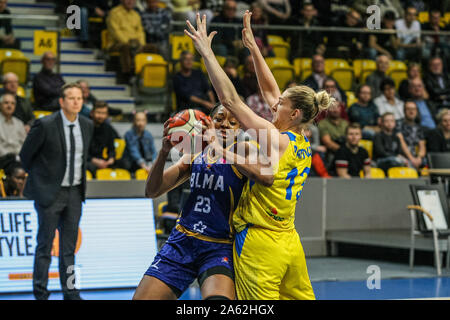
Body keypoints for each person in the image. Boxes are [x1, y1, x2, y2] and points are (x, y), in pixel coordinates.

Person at [185, 12, 334, 299]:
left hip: (260, 242)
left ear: (294, 113)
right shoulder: (301, 138)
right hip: (290, 242)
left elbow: (230, 101)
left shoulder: (275, 139)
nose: (273, 105)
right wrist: (254, 49)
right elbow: (271, 91)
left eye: (280, 105)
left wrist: (207, 54)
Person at [132, 104, 273, 300]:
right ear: (208, 123)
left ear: (240, 129)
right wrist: (164, 152)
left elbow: (267, 178)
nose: (225, 125)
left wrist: (219, 148)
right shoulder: (196, 153)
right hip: (182, 241)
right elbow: (152, 191)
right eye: (219, 119)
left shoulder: (245, 150)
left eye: (232, 122)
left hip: (218, 245)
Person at [19, 83, 94, 300]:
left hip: (74, 194)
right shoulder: (45, 124)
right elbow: (25, 156)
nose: (76, 102)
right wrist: (42, 181)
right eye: (71, 98)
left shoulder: (87, 125)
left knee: (69, 250)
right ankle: (40, 293)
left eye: (79, 98)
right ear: (61, 101)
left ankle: (71, 292)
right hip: (49, 194)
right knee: (44, 246)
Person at [106, 0, 147, 83]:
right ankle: (127, 75)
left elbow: (140, 32)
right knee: (127, 47)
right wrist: (128, 42)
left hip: (136, 43)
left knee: (153, 48)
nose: (130, 2)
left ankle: (147, 75)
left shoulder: (136, 15)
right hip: (116, 44)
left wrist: (142, 44)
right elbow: (115, 32)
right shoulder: (114, 13)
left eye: (133, 0)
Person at [87, 101, 116, 175]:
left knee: (123, 165)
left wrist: (111, 158)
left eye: (103, 113)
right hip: (87, 160)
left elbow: (111, 149)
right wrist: (93, 160)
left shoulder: (108, 128)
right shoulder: (85, 127)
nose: (101, 116)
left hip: (101, 160)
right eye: (98, 112)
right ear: (92, 113)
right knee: (91, 167)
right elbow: (81, 151)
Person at [396, 100, 426, 170]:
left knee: (425, 161)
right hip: (402, 155)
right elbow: (401, 142)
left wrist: (419, 157)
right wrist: (411, 158)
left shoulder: (418, 127)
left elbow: (422, 145)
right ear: (404, 111)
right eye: (408, 109)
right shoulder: (398, 124)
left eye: (413, 109)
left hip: (415, 157)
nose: (411, 111)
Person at [0, 93, 27, 167]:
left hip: (19, 160)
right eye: (6, 103)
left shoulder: (19, 123)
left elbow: (25, 144)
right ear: (0, 105)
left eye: (12, 103)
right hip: (3, 160)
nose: (9, 106)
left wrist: (19, 157)